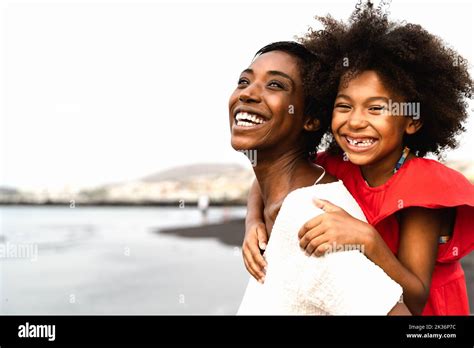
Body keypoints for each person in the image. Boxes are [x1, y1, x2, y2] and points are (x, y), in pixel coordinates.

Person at [243, 2, 474, 315]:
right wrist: (253, 220)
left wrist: (367, 240)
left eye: (376, 109)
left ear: (412, 121)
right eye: (344, 106)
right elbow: (271, 175)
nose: (355, 121)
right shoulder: (336, 164)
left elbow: (416, 297)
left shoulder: (421, 189)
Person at [230, 41, 409, 315]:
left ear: (311, 120)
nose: (247, 94)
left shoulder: (311, 222)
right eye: (244, 81)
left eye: (276, 85)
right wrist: (252, 218)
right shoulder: (281, 202)